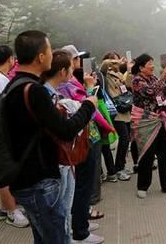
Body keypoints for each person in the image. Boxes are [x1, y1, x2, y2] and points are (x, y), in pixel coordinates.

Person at [5, 31, 97, 244]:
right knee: (57, 237)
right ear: (40, 57)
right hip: (39, 180)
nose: (51, 55)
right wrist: (88, 106)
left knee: (43, 237)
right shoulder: (35, 91)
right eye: (49, 50)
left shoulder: (15, 86)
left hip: (24, 177)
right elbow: (65, 130)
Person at [59, 45, 105, 244]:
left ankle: (80, 221)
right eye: (77, 58)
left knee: (80, 185)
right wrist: (89, 89)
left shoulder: (70, 81)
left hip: (85, 137)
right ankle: (80, 231)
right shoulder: (65, 85)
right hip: (80, 139)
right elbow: (87, 110)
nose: (78, 62)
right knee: (82, 184)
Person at [0, 45, 29, 228]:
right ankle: (11, 212)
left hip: (0, 129)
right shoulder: (0, 80)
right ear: (10, 59)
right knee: (6, 174)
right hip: (2, 131)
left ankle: (5, 208)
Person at [41, 50, 79, 244]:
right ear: (63, 71)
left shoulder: (50, 92)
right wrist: (87, 106)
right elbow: (64, 130)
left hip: (59, 159)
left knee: (62, 211)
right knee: (61, 210)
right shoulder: (44, 95)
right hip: (57, 161)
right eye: (71, 66)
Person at [131, 53, 166, 199]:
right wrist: (163, 76)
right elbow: (151, 92)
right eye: (149, 63)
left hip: (159, 119)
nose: (152, 66)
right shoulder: (137, 81)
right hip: (145, 121)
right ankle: (143, 186)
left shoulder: (153, 78)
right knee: (147, 154)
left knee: (165, 154)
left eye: (152, 63)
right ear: (141, 67)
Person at [100, 52, 132, 180]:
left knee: (126, 139)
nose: (117, 63)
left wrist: (129, 70)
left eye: (118, 60)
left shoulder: (120, 75)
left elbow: (128, 85)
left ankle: (121, 166)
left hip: (125, 109)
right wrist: (115, 62)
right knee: (123, 138)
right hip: (115, 111)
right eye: (114, 61)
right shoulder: (104, 74)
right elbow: (103, 65)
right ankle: (118, 169)